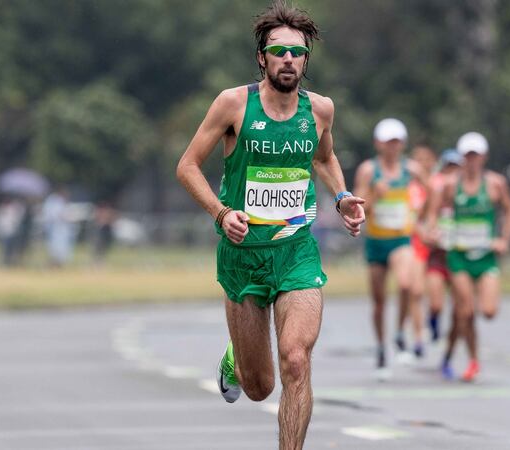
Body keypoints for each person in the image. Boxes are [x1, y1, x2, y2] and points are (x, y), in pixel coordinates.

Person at [176, 4, 365, 449]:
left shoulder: (320, 110)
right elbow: (186, 166)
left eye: (296, 53)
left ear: (305, 60)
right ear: (262, 57)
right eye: (278, 51)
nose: (287, 60)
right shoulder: (233, 104)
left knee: (296, 361)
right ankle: (236, 358)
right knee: (260, 385)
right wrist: (222, 214)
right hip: (243, 256)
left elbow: (322, 156)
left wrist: (341, 197)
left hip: (296, 251)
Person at [426, 132, 510, 382]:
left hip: (486, 257)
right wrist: (433, 230)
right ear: (462, 158)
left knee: (488, 311)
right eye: (468, 156)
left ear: (484, 157)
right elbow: (432, 213)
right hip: (459, 256)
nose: (472, 160)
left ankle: (462, 351)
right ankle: (473, 360)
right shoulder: (451, 185)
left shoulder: (496, 184)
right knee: (465, 312)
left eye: (476, 156)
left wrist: (504, 239)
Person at [353, 118, 429, 380]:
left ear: (403, 144)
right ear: (378, 144)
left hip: (400, 239)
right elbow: (357, 208)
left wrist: (423, 220)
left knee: (407, 285)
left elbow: (433, 194)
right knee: (379, 302)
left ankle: (399, 333)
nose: (392, 147)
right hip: (376, 242)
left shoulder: (412, 170)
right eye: (387, 142)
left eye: (396, 142)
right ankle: (381, 349)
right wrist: (375, 194)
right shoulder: (368, 171)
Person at [425, 149, 462, 347]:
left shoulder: (466, 197)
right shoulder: (435, 191)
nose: (452, 174)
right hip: (438, 257)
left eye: (456, 169)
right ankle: (433, 321)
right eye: (449, 168)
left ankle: (451, 348)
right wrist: (430, 233)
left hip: (459, 258)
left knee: (461, 310)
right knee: (436, 305)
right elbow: (425, 218)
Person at [404, 143, 437, 360]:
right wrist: (419, 230)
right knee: (415, 291)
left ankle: (435, 320)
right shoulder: (406, 186)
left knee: (436, 297)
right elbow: (406, 215)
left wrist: (431, 229)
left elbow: (435, 211)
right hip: (413, 242)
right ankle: (417, 337)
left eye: (426, 159)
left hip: (434, 243)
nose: (421, 164)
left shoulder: (437, 185)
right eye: (417, 159)